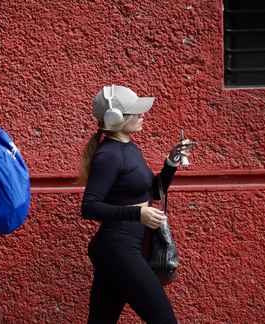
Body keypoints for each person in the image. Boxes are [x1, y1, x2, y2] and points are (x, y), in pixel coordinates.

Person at [80, 85, 193, 324]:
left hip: (122, 248)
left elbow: (152, 190)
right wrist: (137, 214)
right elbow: (89, 207)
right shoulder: (109, 155)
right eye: (136, 113)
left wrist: (171, 163)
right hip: (119, 249)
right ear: (116, 118)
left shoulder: (128, 147)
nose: (143, 116)